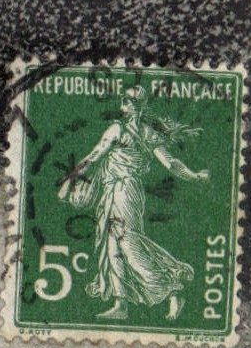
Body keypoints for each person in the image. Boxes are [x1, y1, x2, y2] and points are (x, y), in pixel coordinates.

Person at [58, 86, 208, 322]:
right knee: (113, 246)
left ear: (129, 104)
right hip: (119, 191)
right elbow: (171, 164)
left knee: (128, 243)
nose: (124, 104)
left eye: (126, 100)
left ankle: (173, 288)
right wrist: (195, 175)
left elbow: (94, 156)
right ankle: (121, 304)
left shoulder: (120, 129)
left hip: (123, 192)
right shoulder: (147, 132)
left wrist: (69, 178)